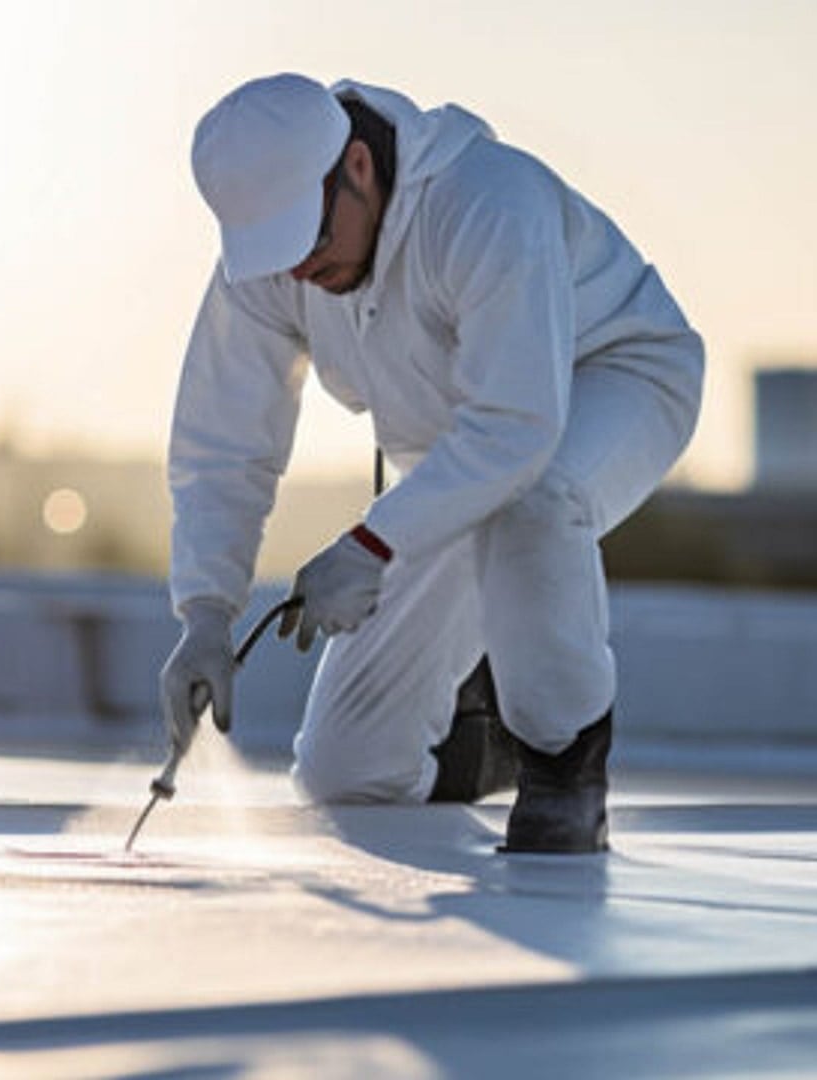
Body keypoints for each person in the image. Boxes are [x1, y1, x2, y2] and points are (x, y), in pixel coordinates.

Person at [161, 74, 703, 853]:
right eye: (279, 254)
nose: (301, 271)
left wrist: (372, 542)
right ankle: (481, 727)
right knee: (347, 772)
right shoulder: (273, 265)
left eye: (310, 242)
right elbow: (224, 441)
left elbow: (515, 430)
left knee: (535, 501)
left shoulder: (488, 201)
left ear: (357, 166)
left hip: (613, 376)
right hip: (456, 455)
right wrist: (206, 613)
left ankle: (564, 768)